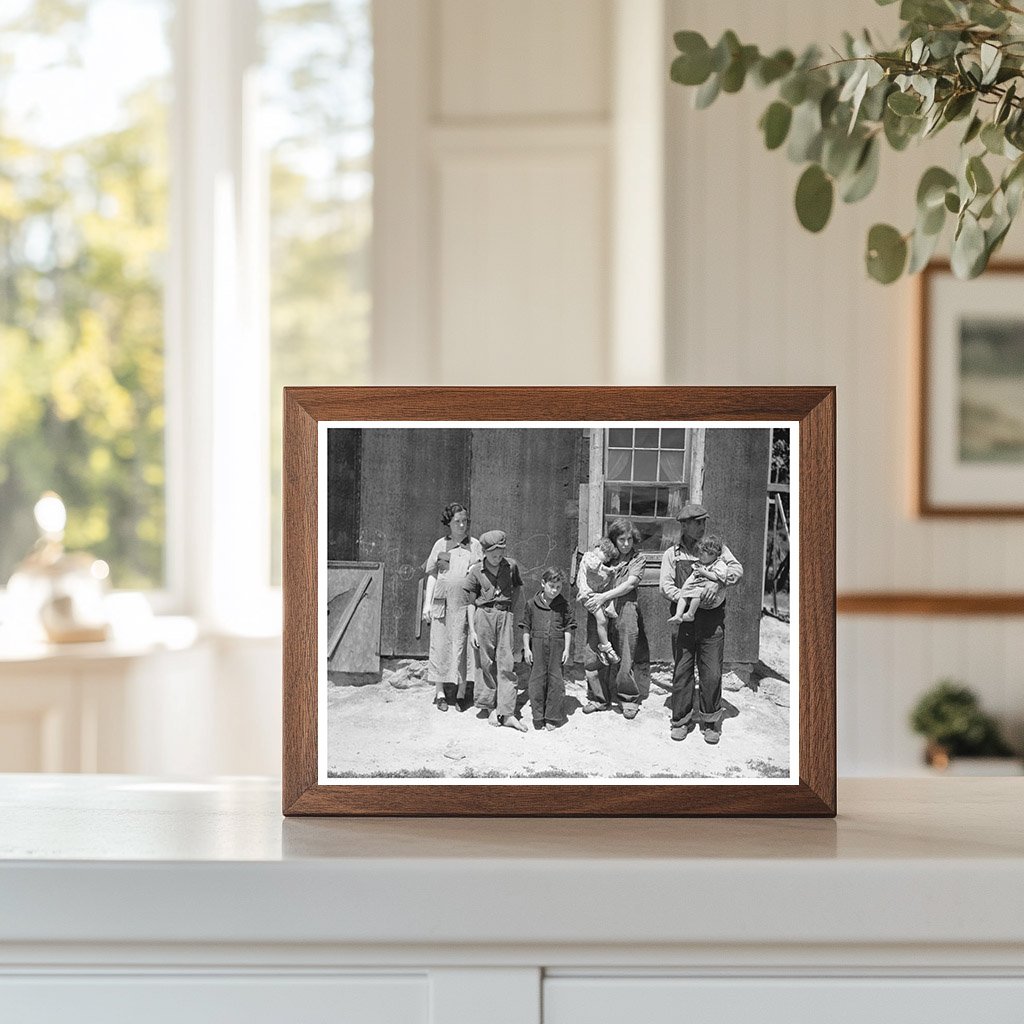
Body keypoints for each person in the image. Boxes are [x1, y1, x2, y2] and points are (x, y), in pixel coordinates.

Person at [659, 504, 743, 745]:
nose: (702, 526)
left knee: (712, 673)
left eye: (704, 522)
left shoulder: (716, 548)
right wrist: (689, 595)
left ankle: (710, 721)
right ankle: (681, 721)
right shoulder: (672, 554)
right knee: (682, 671)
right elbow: (665, 586)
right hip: (684, 619)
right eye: (697, 523)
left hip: (712, 621)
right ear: (684, 525)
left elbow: (737, 569)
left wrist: (717, 584)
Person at [576, 518, 646, 720]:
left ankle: (628, 698)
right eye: (621, 539)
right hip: (598, 606)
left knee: (626, 651)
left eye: (629, 539)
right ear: (614, 538)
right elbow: (588, 570)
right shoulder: (606, 555)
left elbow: (630, 584)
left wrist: (604, 596)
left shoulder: (637, 559)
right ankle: (598, 697)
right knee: (594, 649)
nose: (625, 544)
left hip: (626, 607)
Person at [464, 529, 526, 732]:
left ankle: (507, 712)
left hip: (505, 616)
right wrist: (473, 630)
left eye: (500, 555)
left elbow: (517, 589)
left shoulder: (511, 566)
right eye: (493, 555)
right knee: (486, 661)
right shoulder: (475, 571)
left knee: (506, 662)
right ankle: (490, 706)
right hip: (483, 616)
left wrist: (510, 611)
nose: (497, 559)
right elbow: (471, 604)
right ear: (484, 552)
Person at [422, 502, 483, 712]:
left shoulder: (474, 545)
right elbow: (432, 575)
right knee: (439, 646)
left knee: (462, 646)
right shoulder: (440, 545)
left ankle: (461, 692)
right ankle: (439, 693)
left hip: (464, 605)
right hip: (442, 605)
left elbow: (477, 574)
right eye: (457, 521)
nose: (462, 525)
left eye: (465, 521)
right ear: (449, 523)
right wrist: (426, 604)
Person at [521, 567, 576, 730]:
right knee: (536, 681)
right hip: (536, 646)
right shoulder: (532, 604)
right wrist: (527, 649)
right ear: (543, 583)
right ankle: (538, 715)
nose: (555, 590)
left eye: (558, 587)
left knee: (556, 681)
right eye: (552, 586)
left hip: (557, 647)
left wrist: (566, 650)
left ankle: (552, 716)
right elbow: (525, 627)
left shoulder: (563, 605)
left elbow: (568, 628)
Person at [667, 533, 731, 623]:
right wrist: (686, 588)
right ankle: (678, 614)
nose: (699, 556)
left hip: (711, 604)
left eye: (702, 554)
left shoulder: (719, 564)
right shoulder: (672, 552)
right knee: (684, 592)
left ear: (713, 554)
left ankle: (690, 614)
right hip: (696, 593)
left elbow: (717, 576)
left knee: (697, 592)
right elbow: (692, 577)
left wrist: (704, 573)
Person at [577, 538, 619, 663]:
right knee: (601, 619)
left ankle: (603, 646)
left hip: (592, 594)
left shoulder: (597, 562)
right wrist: (608, 569)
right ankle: (606, 647)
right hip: (586, 595)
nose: (606, 560)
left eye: (608, 559)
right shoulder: (588, 556)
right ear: (599, 548)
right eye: (606, 555)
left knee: (603, 620)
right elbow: (594, 565)